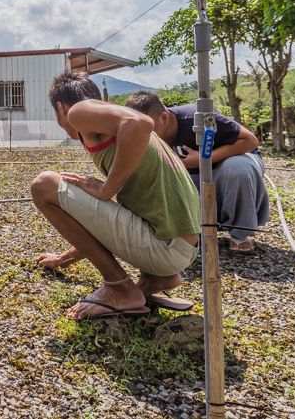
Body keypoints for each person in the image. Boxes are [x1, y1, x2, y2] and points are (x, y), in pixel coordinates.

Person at [31, 71, 200, 320]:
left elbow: (141, 122)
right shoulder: (114, 127)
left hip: (165, 248)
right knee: (85, 192)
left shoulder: (79, 112)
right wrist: (64, 259)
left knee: (44, 185)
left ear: (61, 108)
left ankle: (119, 288)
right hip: (180, 249)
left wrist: (105, 189)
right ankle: (156, 278)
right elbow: (101, 218)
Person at [125, 91, 269, 253]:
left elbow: (250, 140)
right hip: (193, 174)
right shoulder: (143, 136)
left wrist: (203, 158)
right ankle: (192, 228)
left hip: (234, 160)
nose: (142, 132)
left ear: (164, 118)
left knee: (238, 169)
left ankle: (240, 234)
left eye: (147, 126)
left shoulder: (197, 117)